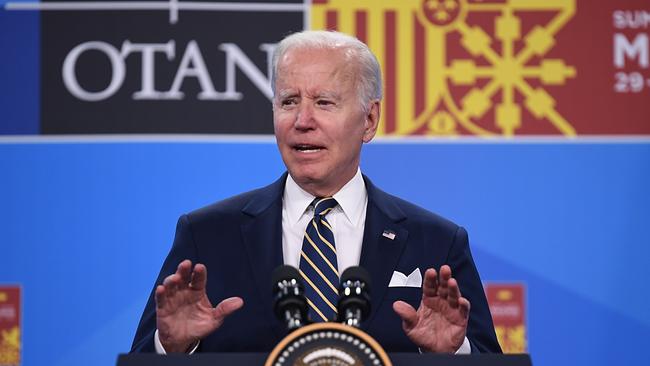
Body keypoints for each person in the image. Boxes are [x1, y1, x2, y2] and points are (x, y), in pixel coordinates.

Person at [131, 30, 501, 354]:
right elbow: (145, 356)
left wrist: (454, 355)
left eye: (324, 102)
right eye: (289, 101)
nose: (302, 121)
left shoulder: (436, 242)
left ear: (369, 120)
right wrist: (172, 348)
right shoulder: (207, 235)